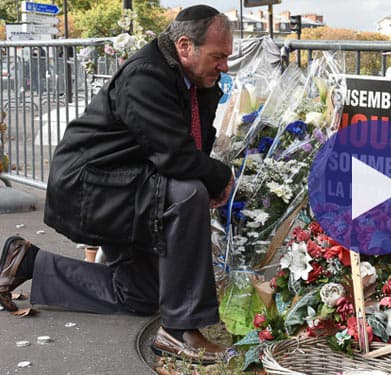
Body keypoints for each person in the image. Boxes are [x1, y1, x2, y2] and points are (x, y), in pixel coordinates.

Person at [1, 5, 235, 364]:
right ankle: (180, 332)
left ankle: (27, 262)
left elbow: (194, 146)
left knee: (141, 296)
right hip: (92, 189)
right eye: (218, 56)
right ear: (185, 46)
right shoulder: (146, 76)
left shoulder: (197, 81)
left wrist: (210, 172)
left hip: (129, 187)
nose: (225, 66)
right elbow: (175, 156)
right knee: (188, 194)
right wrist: (220, 178)